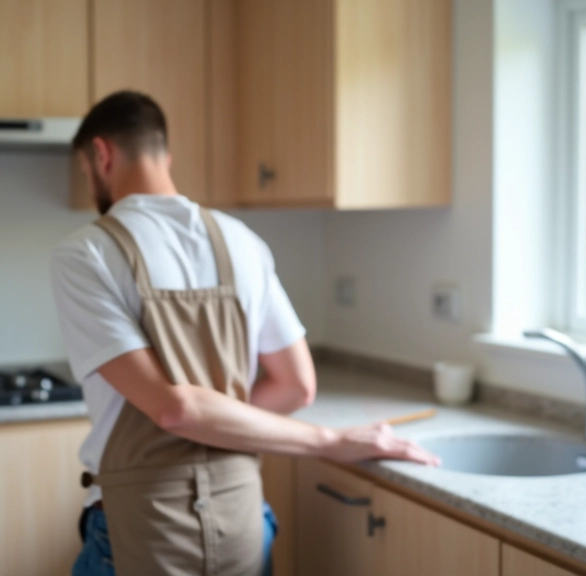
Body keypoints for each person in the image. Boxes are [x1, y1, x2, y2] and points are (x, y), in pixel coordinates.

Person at [50, 91, 440, 576]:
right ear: (165, 157)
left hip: (141, 526)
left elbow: (175, 408)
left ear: (101, 155)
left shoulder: (86, 252)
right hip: (240, 519)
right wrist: (221, 429)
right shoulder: (241, 241)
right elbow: (297, 385)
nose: (91, 185)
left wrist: (325, 440)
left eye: (86, 173)